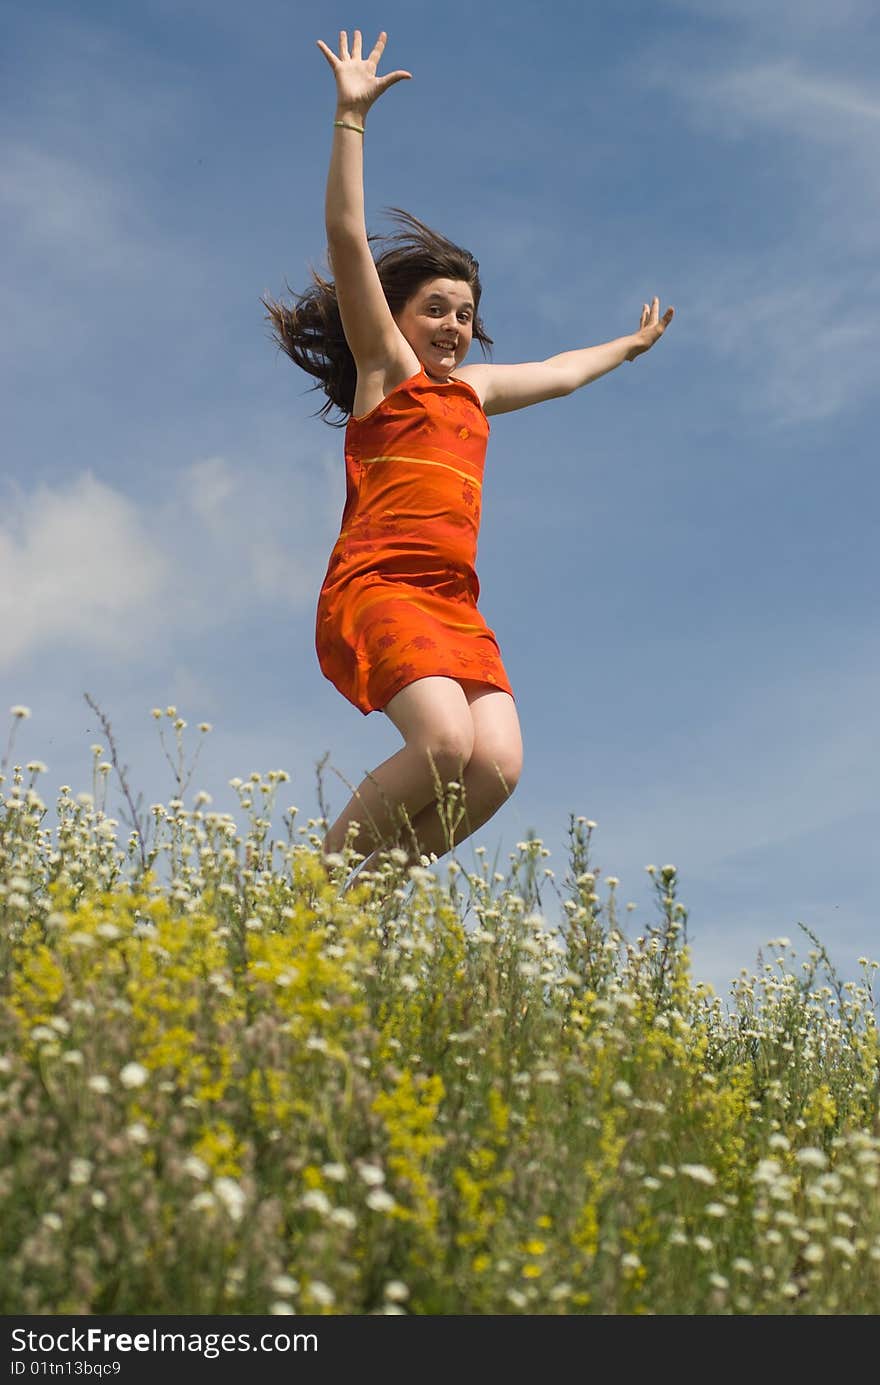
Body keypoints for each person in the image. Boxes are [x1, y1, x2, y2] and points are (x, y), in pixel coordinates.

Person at [264, 28, 674, 877]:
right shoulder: (389, 373)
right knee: (444, 741)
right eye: (436, 308)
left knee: (494, 768)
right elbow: (347, 239)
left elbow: (559, 373)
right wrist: (350, 119)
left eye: (464, 312)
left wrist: (624, 350)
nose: (453, 325)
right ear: (399, 315)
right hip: (380, 587)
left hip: (455, 601)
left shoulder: (475, 394)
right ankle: (306, 896)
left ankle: (362, 910)